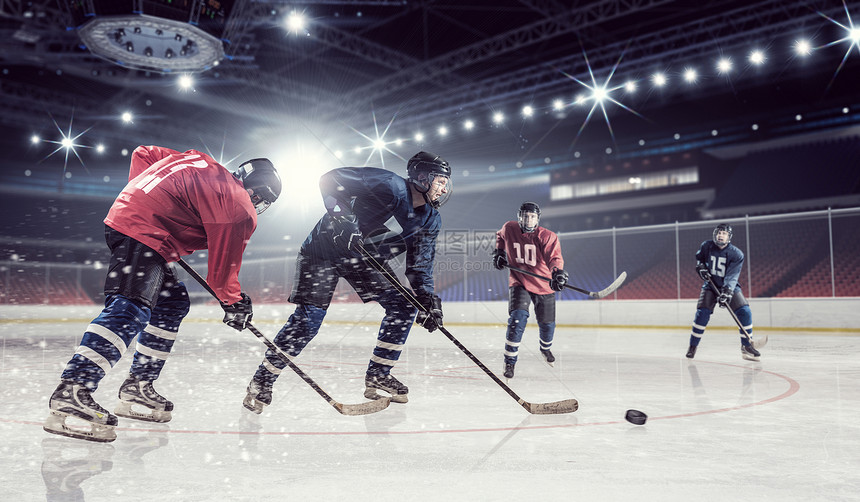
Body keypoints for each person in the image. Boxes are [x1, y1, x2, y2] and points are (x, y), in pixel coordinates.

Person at [44, 145, 281, 442]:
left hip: (140, 226)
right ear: (257, 195)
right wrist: (235, 303)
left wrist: (150, 202)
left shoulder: (199, 160)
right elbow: (222, 272)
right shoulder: (240, 206)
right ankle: (73, 390)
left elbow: (142, 153)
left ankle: (138, 385)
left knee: (172, 304)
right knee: (132, 306)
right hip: (144, 232)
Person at [242, 151, 451, 413]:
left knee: (405, 306)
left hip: (363, 259)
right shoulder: (389, 184)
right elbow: (329, 180)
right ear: (422, 178)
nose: (443, 189)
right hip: (322, 251)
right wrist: (343, 221)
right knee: (308, 322)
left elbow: (420, 264)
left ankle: (379, 374)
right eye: (440, 181)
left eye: (445, 183)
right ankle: (262, 380)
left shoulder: (431, 219)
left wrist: (428, 299)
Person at [492, 202, 568, 379]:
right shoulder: (509, 228)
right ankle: (509, 361)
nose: (528, 219)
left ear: (538, 218)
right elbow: (500, 237)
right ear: (519, 216)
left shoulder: (547, 236)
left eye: (532, 216)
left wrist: (557, 273)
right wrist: (499, 253)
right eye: (525, 215)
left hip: (543, 285)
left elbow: (554, 258)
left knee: (547, 324)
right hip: (520, 281)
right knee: (517, 319)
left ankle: (545, 348)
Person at [686, 223, 761, 361]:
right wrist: (700, 267)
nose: (721, 235)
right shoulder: (706, 246)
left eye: (724, 233)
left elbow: (732, 276)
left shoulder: (736, 254)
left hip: (728, 287)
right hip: (710, 285)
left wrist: (726, 292)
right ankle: (692, 346)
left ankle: (746, 347)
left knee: (744, 311)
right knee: (702, 313)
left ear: (729, 237)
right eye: (719, 232)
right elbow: (699, 259)